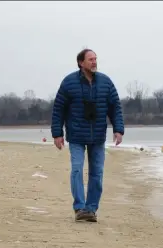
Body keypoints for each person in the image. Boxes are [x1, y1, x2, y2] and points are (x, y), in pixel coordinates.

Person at [51, 48, 124, 222]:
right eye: (90, 59)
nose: (94, 62)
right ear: (81, 63)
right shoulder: (69, 83)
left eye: (95, 59)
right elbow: (58, 109)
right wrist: (57, 134)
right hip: (76, 135)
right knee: (77, 170)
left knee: (96, 173)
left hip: (98, 136)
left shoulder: (106, 82)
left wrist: (118, 129)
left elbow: (115, 107)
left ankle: (91, 209)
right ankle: (79, 208)